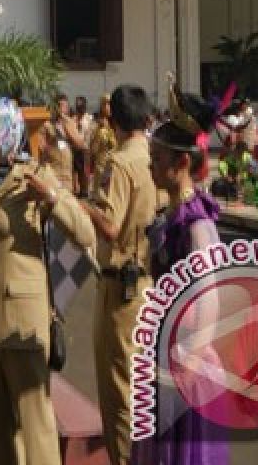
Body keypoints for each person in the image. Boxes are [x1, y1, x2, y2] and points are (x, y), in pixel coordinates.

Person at [0, 98, 95, 465]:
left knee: (35, 424)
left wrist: (54, 198)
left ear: (8, 134)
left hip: (25, 322)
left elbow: (86, 234)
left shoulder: (34, 178)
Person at [131, 85, 228, 465]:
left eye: (156, 158)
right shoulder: (172, 216)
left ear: (182, 164)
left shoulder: (197, 226)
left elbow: (210, 302)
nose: (150, 166)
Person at [81, 85, 158, 465]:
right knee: (143, 388)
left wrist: (82, 204)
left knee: (120, 394)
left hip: (121, 286)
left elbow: (109, 225)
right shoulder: (155, 158)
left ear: (114, 120)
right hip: (149, 281)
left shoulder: (119, 163)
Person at [39, 94, 85, 193]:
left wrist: (67, 127)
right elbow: (41, 148)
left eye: (64, 106)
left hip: (67, 176)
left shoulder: (70, 124)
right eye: (59, 106)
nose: (61, 109)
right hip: (52, 174)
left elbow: (80, 144)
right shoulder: (46, 125)